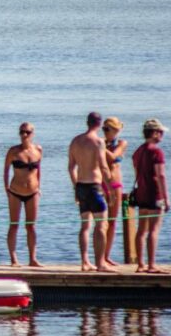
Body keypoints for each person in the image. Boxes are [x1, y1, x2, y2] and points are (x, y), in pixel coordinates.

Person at [68, 111, 114, 272]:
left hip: (81, 186)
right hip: (94, 187)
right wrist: (111, 188)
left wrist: (75, 186)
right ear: (99, 124)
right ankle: (100, 263)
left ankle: (85, 262)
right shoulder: (98, 142)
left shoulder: (75, 141)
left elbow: (71, 167)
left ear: (87, 122)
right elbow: (103, 166)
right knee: (101, 225)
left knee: (85, 225)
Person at [131, 118, 171, 274]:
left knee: (141, 230)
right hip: (155, 194)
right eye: (160, 132)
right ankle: (151, 264)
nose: (162, 135)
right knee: (154, 230)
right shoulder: (156, 152)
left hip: (141, 194)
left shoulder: (138, 151)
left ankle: (140, 264)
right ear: (154, 133)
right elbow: (161, 175)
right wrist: (166, 199)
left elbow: (137, 173)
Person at [3, 122, 43, 267]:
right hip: (15, 192)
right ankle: (14, 259)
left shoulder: (38, 149)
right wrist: (6, 188)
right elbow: (6, 170)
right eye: (21, 132)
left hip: (33, 192)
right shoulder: (13, 151)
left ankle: (33, 259)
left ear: (32, 133)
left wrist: (39, 187)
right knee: (14, 225)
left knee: (31, 226)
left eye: (27, 132)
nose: (24, 135)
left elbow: (39, 169)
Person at [101, 117, 128, 267]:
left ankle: (107, 255)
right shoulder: (100, 143)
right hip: (101, 184)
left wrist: (99, 146)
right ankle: (100, 257)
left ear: (116, 130)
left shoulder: (122, 143)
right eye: (103, 129)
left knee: (112, 221)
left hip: (115, 183)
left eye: (107, 129)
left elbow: (112, 158)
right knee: (101, 222)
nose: (104, 132)